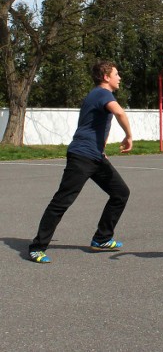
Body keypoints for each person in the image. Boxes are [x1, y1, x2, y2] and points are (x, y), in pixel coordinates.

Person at [28, 61, 133, 263]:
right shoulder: (102, 93)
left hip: (95, 156)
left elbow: (97, 125)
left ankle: (102, 238)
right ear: (106, 77)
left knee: (121, 192)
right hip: (81, 156)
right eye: (116, 74)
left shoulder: (98, 95)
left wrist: (101, 149)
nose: (119, 77)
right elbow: (120, 113)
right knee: (62, 201)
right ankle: (37, 247)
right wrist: (129, 136)